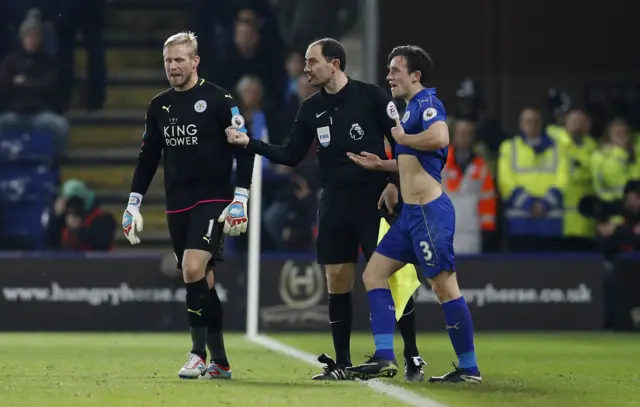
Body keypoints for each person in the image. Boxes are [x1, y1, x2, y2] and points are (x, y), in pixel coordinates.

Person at [225, 38, 424, 381]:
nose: (306, 69)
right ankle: (343, 363)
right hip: (333, 200)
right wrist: (251, 144)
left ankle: (412, 356)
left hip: (374, 197)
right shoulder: (310, 108)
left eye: (312, 62)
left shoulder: (372, 96)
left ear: (334, 64)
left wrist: (394, 184)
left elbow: (400, 141)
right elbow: (290, 154)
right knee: (336, 279)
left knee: (393, 276)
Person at [121, 31, 255, 380]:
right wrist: (133, 203)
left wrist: (241, 198)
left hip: (213, 198)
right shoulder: (158, 105)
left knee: (192, 269)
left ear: (196, 61)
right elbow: (147, 158)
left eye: (180, 59)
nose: (173, 66)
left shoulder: (220, 98)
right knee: (203, 282)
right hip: (176, 202)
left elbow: (245, 148)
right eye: (168, 60)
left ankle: (197, 354)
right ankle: (221, 362)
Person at [345, 45, 482, 383]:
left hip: (429, 214)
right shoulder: (407, 111)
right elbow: (411, 160)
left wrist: (403, 137)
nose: (389, 75)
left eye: (395, 70)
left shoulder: (428, 104)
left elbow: (440, 137)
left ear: (415, 75)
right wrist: (382, 165)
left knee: (443, 287)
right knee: (373, 274)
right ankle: (384, 356)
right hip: (409, 217)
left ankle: (469, 368)